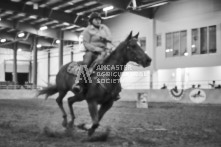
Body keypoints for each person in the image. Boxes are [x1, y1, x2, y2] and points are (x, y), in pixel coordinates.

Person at [72, 12, 121, 100]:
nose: (98, 21)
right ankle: (79, 83)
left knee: (114, 65)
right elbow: (86, 43)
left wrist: (105, 38)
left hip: (104, 51)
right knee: (86, 62)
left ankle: (116, 88)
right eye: (96, 19)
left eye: (99, 19)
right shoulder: (87, 30)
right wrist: (96, 49)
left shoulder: (105, 28)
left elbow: (110, 38)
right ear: (91, 21)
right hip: (91, 51)